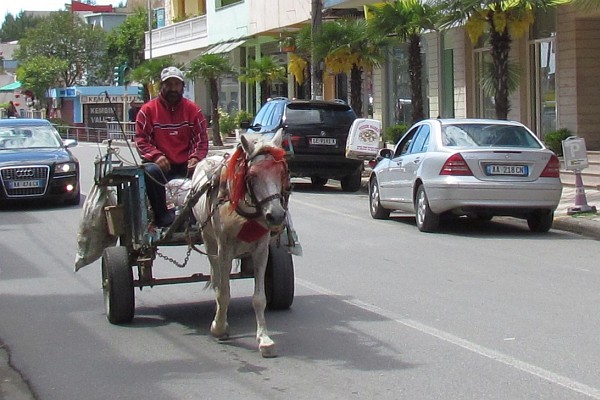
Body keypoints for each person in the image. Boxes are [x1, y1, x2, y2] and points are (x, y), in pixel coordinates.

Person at [134, 66, 209, 227]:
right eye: (169, 84)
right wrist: (156, 156)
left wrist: (196, 157)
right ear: (162, 86)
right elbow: (141, 139)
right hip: (160, 165)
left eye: (177, 84)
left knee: (208, 172)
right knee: (150, 172)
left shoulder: (193, 110)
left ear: (182, 87)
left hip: (186, 164)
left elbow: (201, 139)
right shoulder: (147, 111)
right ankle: (163, 217)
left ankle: (197, 214)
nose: (174, 88)